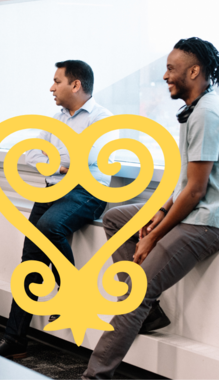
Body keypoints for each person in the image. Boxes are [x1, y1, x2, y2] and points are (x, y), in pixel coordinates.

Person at [83, 37, 219, 379]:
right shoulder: (194, 109)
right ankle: (152, 313)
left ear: (195, 70)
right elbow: (187, 183)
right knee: (116, 218)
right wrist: (159, 211)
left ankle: (94, 376)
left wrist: (154, 235)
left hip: (207, 221)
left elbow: (198, 191)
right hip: (194, 207)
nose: (165, 75)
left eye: (171, 69)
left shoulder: (207, 112)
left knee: (137, 291)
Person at [0, 60, 113, 359]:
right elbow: (32, 151)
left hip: (87, 192)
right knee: (29, 263)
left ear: (76, 84)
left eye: (57, 81)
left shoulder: (102, 119)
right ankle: (15, 339)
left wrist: (58, 159)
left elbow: (86, 160)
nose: (51, 87)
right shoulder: (55, 119)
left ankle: (73, 295)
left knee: (48, 227)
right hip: (51, 190)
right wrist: (59, 162)